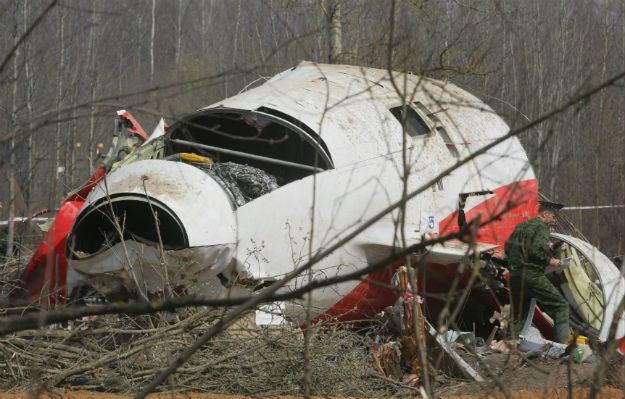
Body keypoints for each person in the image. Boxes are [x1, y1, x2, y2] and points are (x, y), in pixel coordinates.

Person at [504, 201, 570, 343]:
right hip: (531, 274)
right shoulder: (542, 227)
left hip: (515, 276)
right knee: (560, 306)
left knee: (518, 314)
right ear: (545, 215)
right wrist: (551, 261)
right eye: (553, 216)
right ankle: (564, 347)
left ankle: (510, 346)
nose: (554, 220)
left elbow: (507, 248)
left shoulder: (521, 226)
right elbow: (535, 251)